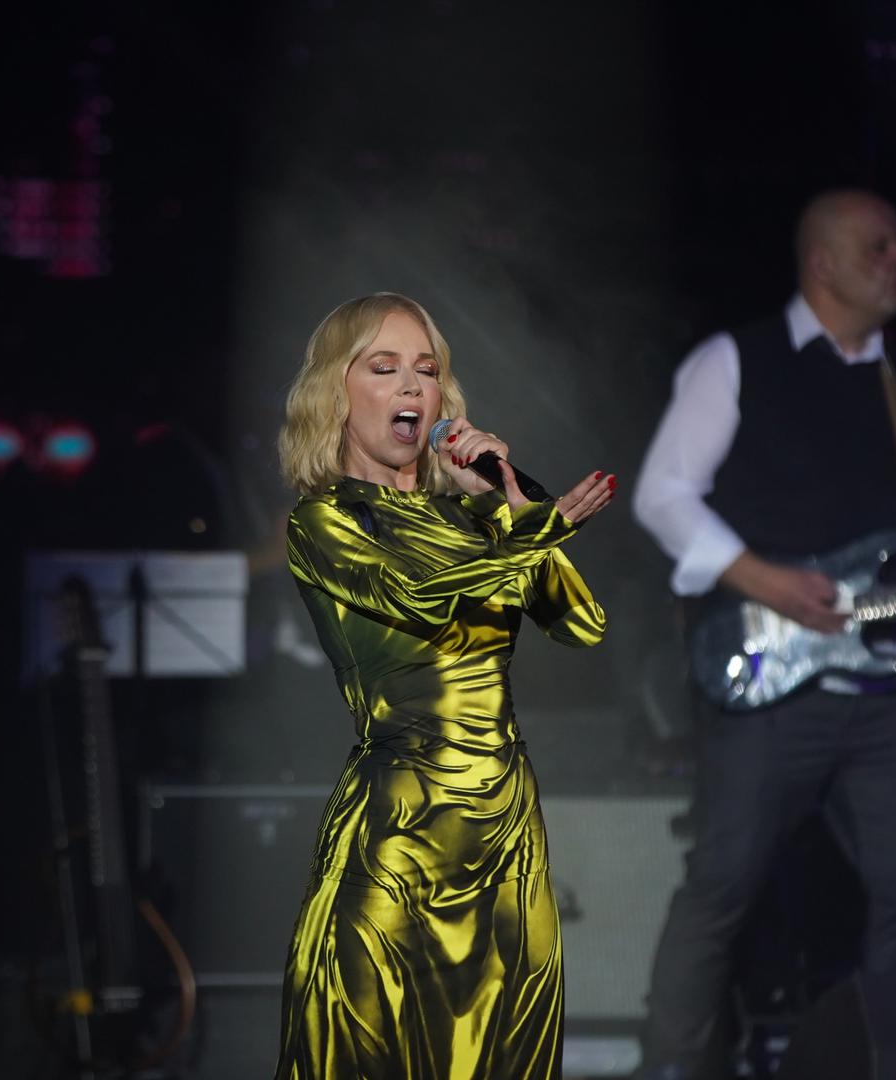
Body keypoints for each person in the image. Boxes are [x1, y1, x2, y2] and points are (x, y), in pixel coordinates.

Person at [629, 190, 896, 1079]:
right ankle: (670, 1066)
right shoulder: (735, 361)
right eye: (879, 248)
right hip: (764, 676)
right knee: (723, 886)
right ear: (822, 264)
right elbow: (662, 495)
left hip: (881, 689)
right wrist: (764, 578)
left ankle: (889, 1065)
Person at [272, 292, 615, 1078]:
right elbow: (418, 596)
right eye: (383, 367)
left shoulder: (471, 519)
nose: (410, 386)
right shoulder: (322, 522)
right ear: (336, 392)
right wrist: (543, 527)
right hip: (399, 836)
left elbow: (582, 623)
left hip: (504, 836)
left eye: (425, 371)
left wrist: (507, 503)